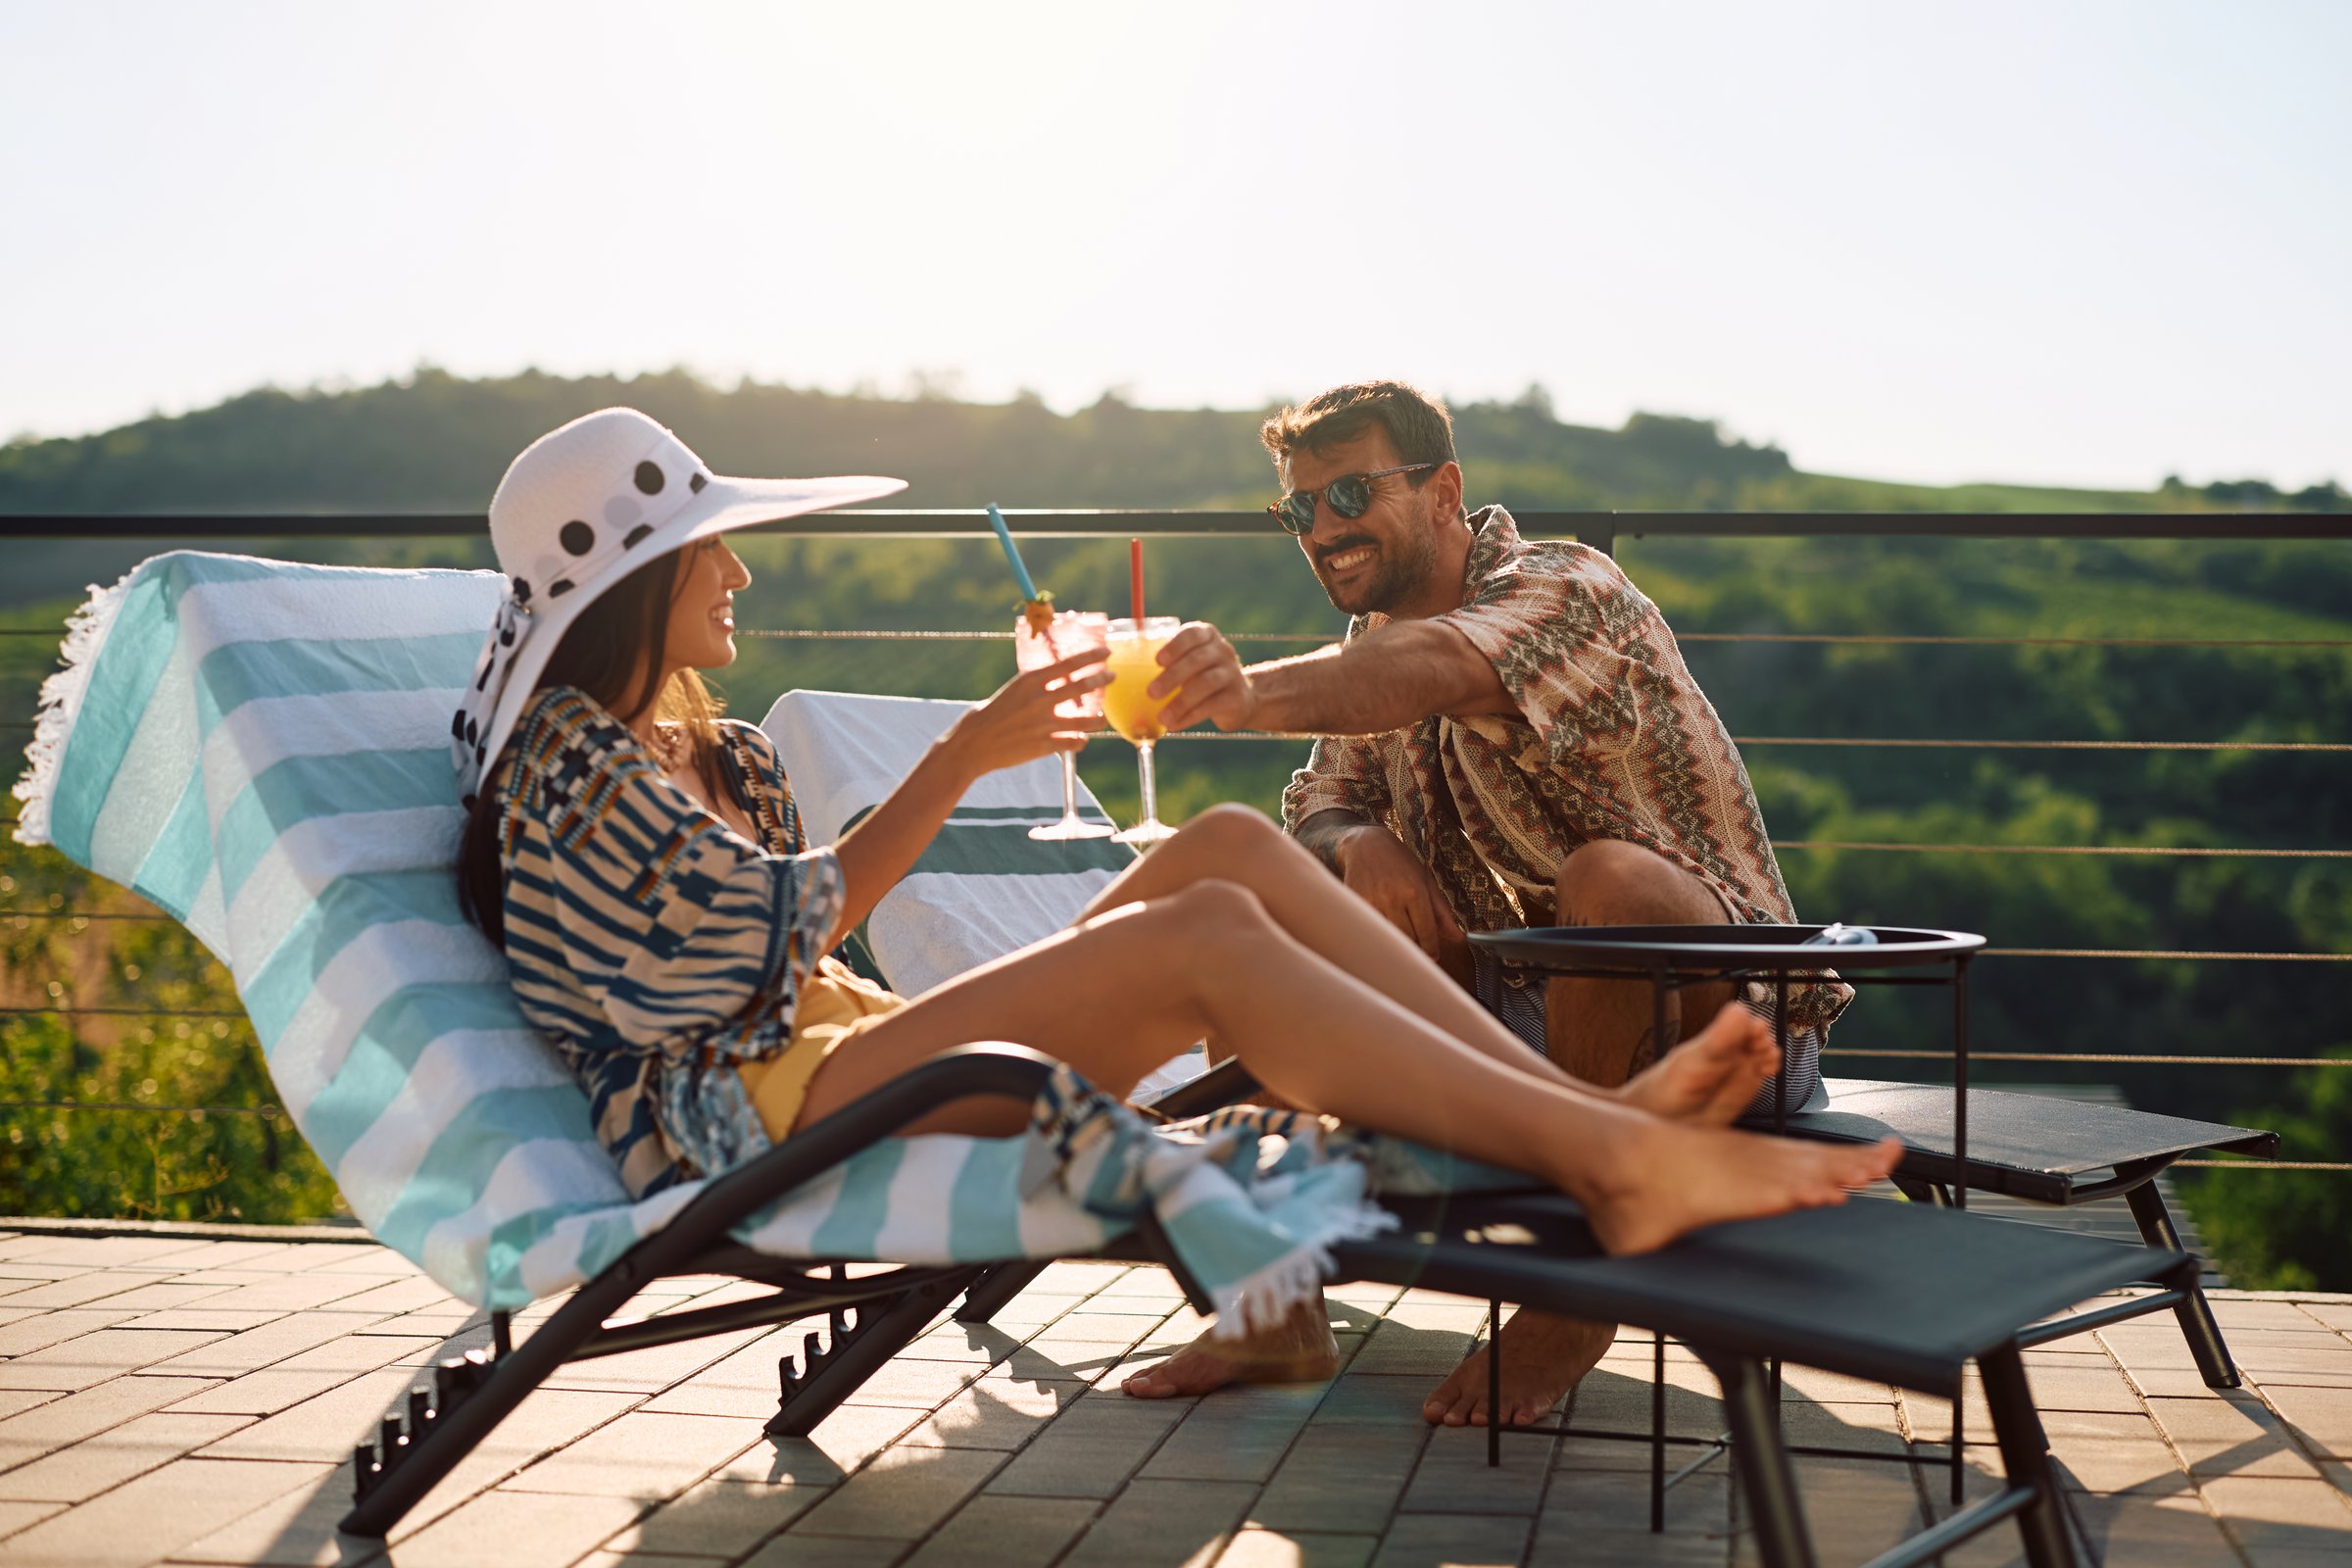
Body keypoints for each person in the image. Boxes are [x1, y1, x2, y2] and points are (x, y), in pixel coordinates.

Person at [450, 407, 1897, 1315]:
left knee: (1219, 847)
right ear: (642, 581)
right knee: (1198, 937)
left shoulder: (738, 754)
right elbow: (762, 952)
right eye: (716, 548)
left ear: (1442, 488)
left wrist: (1201, 739)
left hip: (849, 1050)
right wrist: (964, 754)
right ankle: (1615, 1154)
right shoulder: (567, 767)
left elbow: (810, 958)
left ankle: (1612, 1132)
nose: (742, 571)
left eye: (1352, 499)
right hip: (753, 1116)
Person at [1134, 380, 1854, 1426]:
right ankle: (1272, 1300)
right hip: (1514, 1024)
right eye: (1301, 509)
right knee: (1245, 904)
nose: (1325, 528)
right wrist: (1360, 840)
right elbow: (1320, 804)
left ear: (1444, 491)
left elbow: (1434, 669)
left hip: (1716, 1029)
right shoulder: (1369, 649)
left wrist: (1245, 695)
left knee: (1611, 878)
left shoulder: (1567, 590)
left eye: (1350, 494)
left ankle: (1574, 1296)